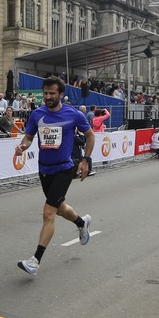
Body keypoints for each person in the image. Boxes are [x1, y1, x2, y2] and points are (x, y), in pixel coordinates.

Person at [13, 76, 93, 275]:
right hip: (44, 170)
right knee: (59, 208)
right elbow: (29, 137)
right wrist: (23, 146)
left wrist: (85, 160)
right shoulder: (37, 114)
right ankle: (82, 223)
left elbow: (90, 135)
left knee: (48, 213)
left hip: (64, 169)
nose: (48, 97)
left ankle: (35, 261)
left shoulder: (74, 114)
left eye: (52, 93)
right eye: (45, 93)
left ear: (61, 94)